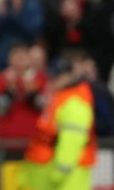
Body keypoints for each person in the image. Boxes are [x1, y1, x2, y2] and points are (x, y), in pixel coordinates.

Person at [19, 54, 97, 190]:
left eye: (57, 77)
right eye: (52, 76)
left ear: (69, 76)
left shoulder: (74, 105)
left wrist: (58, 174)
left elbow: (71, 143)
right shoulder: (60, 99)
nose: (52, 81)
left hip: (65, 180)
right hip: (49, 177)